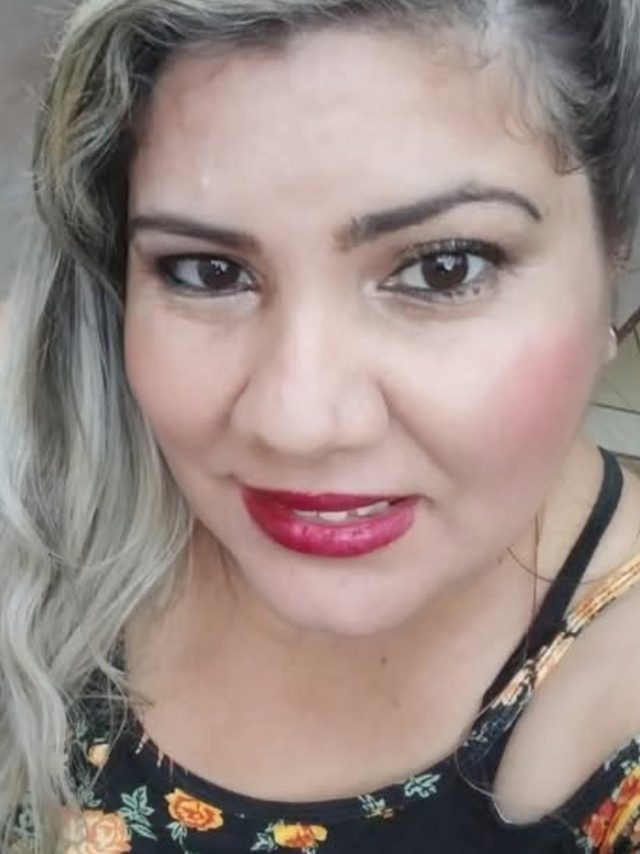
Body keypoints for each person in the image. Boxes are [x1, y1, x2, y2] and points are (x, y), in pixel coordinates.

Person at [1, 0, 640, 851]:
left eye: (443, 270)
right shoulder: (43, 472)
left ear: (614, 257)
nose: (296, 423)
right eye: (206, 271)